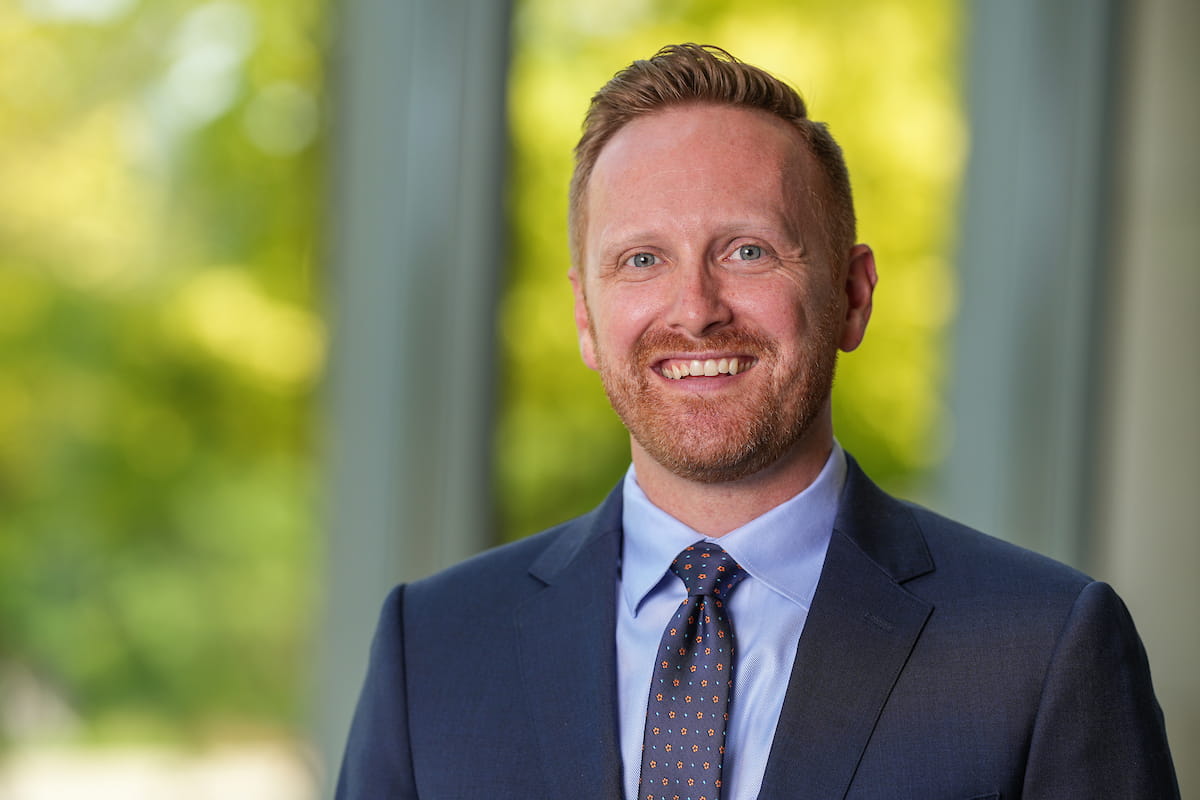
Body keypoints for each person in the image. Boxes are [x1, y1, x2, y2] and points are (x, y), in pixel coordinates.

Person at [335, 44, 1178, 799]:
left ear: (852, 296)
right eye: (641, 259)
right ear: (587, 322)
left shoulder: (1040, 648)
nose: (695, 311)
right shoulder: (434, 647)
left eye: (748, 251)